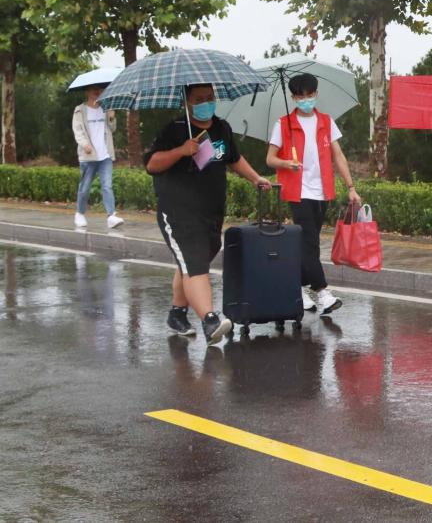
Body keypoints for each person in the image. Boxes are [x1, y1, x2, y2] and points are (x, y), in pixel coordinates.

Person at [145, 83, 272, 343]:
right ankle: (209, 320)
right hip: (178, 211)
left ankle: (177, 313)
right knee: (194, 262)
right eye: (199, 99)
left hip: (211, 212)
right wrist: (181, 150)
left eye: (210, 98)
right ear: (187, 102)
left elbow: (234, 159)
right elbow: (152, 164)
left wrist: (255, 178)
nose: (206, 103)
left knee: (192, 262)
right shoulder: (174, 130)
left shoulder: (221, 128)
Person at [263, 72, 361, 314]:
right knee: (308, 243)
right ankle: (323, 292)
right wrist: (286, 163)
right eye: (300, 96)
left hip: (322, 191)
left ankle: (296, 289)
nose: (305, 100)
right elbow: (270, 159)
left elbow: (338, 155)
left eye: (309, 95)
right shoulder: (283, 124)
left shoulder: (326, 121)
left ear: (316, 94)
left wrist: (351, 187)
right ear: (293, 98)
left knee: (310, 245)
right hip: (298, 192)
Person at [71, 84, 123, 230]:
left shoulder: (105, 108)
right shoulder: (80, 110)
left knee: (107, 186)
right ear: (87, 92)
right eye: (93, 89)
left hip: (105, 155)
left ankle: (111, 216)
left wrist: (112, 117)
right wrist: (85, 144)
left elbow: (112, 129)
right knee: (84, 188)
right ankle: (80, 213)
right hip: (88, 156)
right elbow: (77, 130)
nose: (96, 91)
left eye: (99, 89)